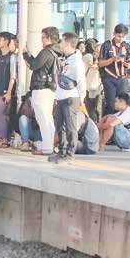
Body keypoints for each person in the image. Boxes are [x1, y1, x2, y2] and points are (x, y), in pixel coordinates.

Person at [22, 26, 61, 156]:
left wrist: (25, 54)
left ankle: (47, 148)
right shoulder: (56, 52)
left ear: (49, 38)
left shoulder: (46, 52)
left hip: (41, 88)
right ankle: (49, 145)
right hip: (50, 89)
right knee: (48, 119)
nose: (41, 40)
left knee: (43, 119)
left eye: (43, 37)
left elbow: (34, 65)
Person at [50, 32, 86, 163]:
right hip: (61, 96)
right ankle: (62, 151)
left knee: (70, 127)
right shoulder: (67, 59)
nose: (60, 44)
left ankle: (70, 154)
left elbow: (81, 82)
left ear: (67, 43)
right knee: (59, 125)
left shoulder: (77, 61)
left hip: (71, 97)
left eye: (62, 41)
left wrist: (81, 98)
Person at [98, 23, 130, 116]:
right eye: (119, 36)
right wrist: (112, 59)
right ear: (114, 33)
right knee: (111, 104)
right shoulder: (106, 45)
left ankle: (121, 126)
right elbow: (100, 63)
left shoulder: (126, 46)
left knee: (123, 104)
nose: (120, 39)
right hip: (109, 78)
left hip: (122, 79)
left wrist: (128, 64)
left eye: (123, 37)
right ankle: (108, 126)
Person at [0, 32, 16, 148]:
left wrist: (9, 92)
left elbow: (12, 77)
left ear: (6, 41)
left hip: (6, 91)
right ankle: (0, 138)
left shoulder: (12, 57)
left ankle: (5, 139)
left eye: (0, 39)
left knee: (1, 114)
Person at [84, 39, 102, 122]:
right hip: (90, 86)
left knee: (94, 108)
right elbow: (92, 67)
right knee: (91, 108)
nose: (98, 52)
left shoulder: (97, 59)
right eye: (97, 50)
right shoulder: (89, 57)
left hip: (96, 87)